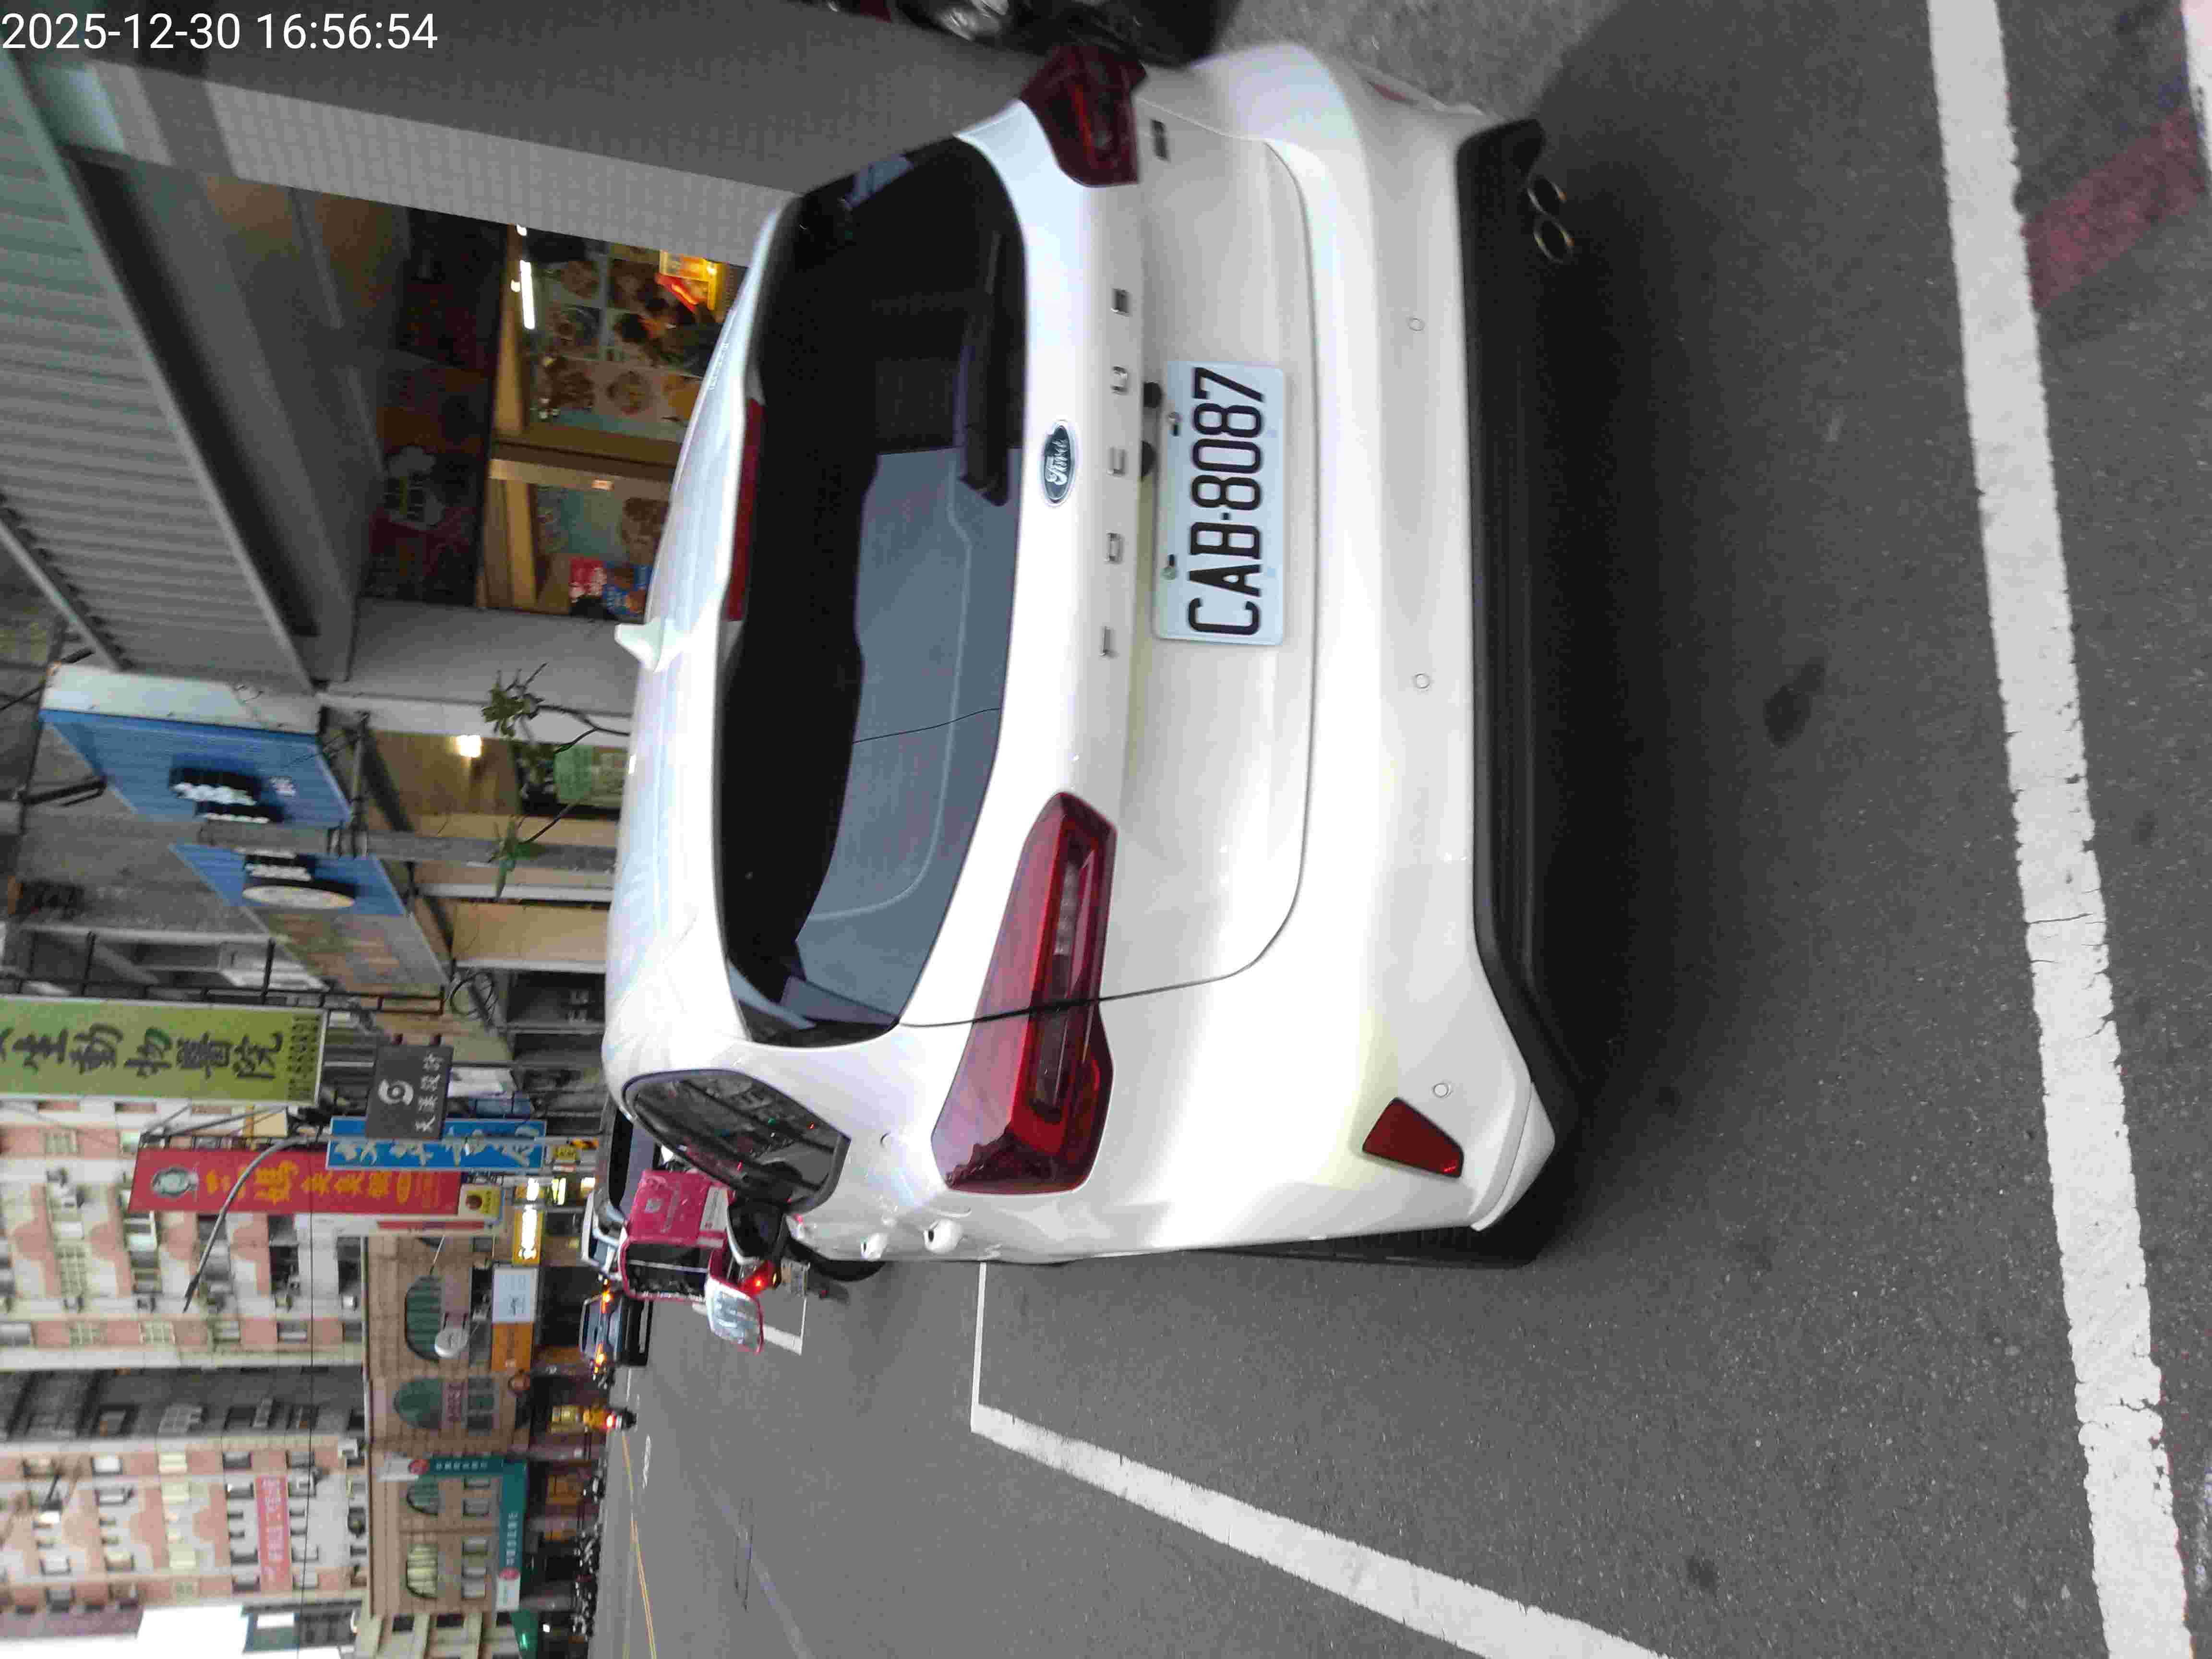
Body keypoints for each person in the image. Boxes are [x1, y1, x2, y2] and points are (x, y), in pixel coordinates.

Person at [614, 289, 717, 375]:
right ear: (645, 322)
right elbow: (715, 335)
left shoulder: (664, 354)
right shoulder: (673, 339)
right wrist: (700, 304)